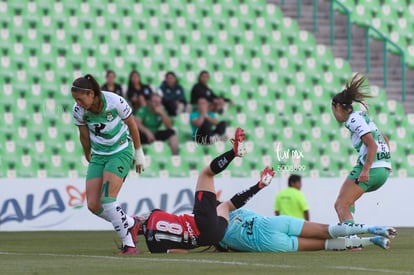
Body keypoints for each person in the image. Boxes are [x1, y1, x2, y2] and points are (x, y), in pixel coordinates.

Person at [134, 128, 272, 253]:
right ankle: (234, 153)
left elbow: (182, 252)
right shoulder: (154, 216)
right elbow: (143, 217)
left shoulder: (154, 248)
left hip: (214, 236)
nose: (138, 218)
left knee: (226, 206)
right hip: (202, 224)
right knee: (206, 174)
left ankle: (259, 186)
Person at [71, 74, 146, 255]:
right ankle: (131, 223)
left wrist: (139, 152)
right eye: (75, 100)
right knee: (93, 205)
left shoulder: (115, 101)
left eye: (80, 99)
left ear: (91, 94)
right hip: (99, 155)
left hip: (120, 151)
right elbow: (83, 134)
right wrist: (87, 154)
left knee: (107, 199)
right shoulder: (78, 110)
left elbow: (132, 124)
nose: (78, 103)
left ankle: (129, 245)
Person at [331, 73, 391, 225]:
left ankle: (352, 239)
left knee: (340, 204)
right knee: (347, 199)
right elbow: (385, 139)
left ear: (337, 107)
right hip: (382, 170)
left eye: (333, 110)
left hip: (371, 169)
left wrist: (365, 170)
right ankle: (351, 233)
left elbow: (372, 144)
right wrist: (386, 163)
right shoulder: (362, 116)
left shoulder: (353, 119)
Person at [218, 209, 396, 252]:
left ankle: (372, 241)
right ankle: (369, 229)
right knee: (327, 230)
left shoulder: (218, 238)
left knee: (324, 244)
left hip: (269, 243)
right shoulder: (229, 211)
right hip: (273, 223)